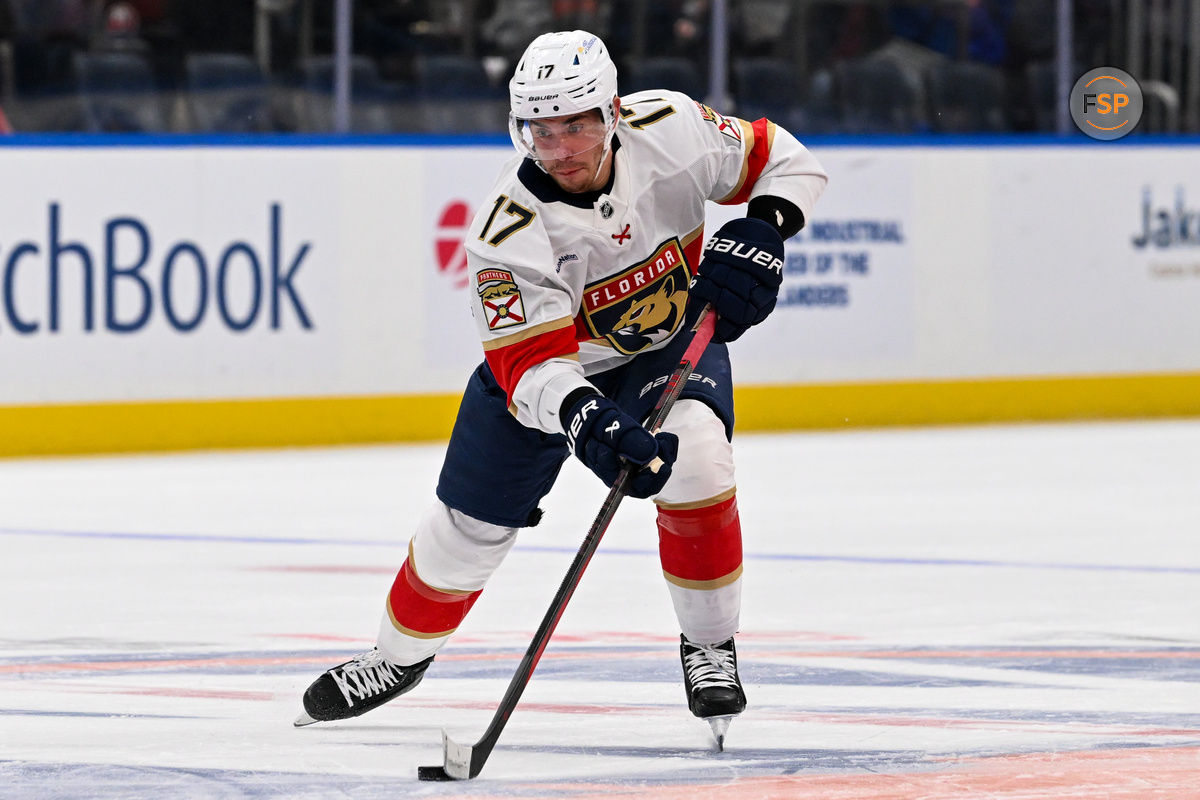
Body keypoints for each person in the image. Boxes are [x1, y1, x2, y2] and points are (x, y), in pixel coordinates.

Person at [295, 29, 826, 740]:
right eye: (540, 131)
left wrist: (766, 223)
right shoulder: (505, 231)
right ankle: (396, 659)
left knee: (697, 456)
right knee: (466, 532)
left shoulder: (671, 128)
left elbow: (784, 159)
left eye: (575, 125)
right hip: (546, 377)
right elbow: (530, 367)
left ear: (612, 113)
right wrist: (586, 419)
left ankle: (708, 645)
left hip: (663, 350)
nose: (561, 148)